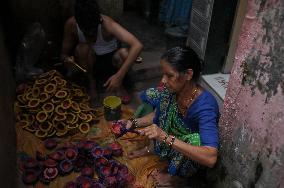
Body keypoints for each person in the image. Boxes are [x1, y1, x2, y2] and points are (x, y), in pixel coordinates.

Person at [124, 46, 219, 186]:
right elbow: (158, 114)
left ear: (188, 74)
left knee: (196, 139)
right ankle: (152, 149)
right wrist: (134, 122)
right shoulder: (173, 91)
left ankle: (177, 177)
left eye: (169, 75)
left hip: (186, 149)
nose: (163, 80)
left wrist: (163, 136)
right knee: (156, 96)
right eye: (163, 74)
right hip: (173, 139)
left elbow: (210, 157)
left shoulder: (205, 105)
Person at [60, 0, 143, 103]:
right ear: (77, 21)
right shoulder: (71, 24)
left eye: (93, 30)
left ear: (99, 19)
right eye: (86, 31)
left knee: (124, 53)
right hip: (90, 65)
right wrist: (67, 59)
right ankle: (92, 84)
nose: (90, 34)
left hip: (111, 62)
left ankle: (119, 85)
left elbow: (137, 45)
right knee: (81, 49)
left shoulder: (107, 24)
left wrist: (119, 76)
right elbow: (63, 54)